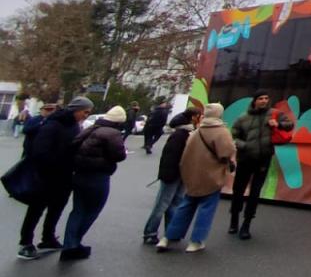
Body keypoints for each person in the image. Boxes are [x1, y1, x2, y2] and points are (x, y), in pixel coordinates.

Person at [17, 95, 93, 260]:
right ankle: (25, 243)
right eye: (85, 112)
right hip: (46, 176)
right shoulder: (53, 124)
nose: (86, 115)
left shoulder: (74, 126)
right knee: (36, 210)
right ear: (76, 110)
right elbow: (40, 151)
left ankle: (48, 238)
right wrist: (58, 164)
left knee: (56, 209)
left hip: (64, 177)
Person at [157, 103, 235, 254]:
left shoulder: (196, 131)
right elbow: (226, 152)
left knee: (185, 206)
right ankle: (196, 241)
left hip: (193, 175)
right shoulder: (222, 132)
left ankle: (168, 237)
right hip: (212, 176)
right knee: (206, 209)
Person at [60, 105, 128, 261]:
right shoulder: (113, 133)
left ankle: (69, 245)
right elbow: (119, 155)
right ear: (119, 122)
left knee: (77, 211)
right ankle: (75, 243)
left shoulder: (91, 129)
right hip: (98, 176)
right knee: (93, 210)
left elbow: (73, 146)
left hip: (79, 174)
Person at [228, 90, 294, 240]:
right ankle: (234, 220)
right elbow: (233, 136)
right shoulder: (243, 118)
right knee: (238, 190)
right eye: (260, 98)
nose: (264, 101)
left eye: (266, 98)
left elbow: (290, 125)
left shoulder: (274, 114)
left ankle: (246, 224)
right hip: (244, 159)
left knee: (255, 192)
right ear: (254, 101)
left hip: (263, 159)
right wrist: (244, 146)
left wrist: (278, 124)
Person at [141, 106, 201, 245]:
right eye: (200, 116)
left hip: (180, 174)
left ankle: (171, 232)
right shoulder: (181, 134)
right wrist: (168, 174)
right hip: (173, 174)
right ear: (193, 117)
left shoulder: (187, 133)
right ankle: (150, 233)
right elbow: (169, 157)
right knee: (163, 204)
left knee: (175, 203)